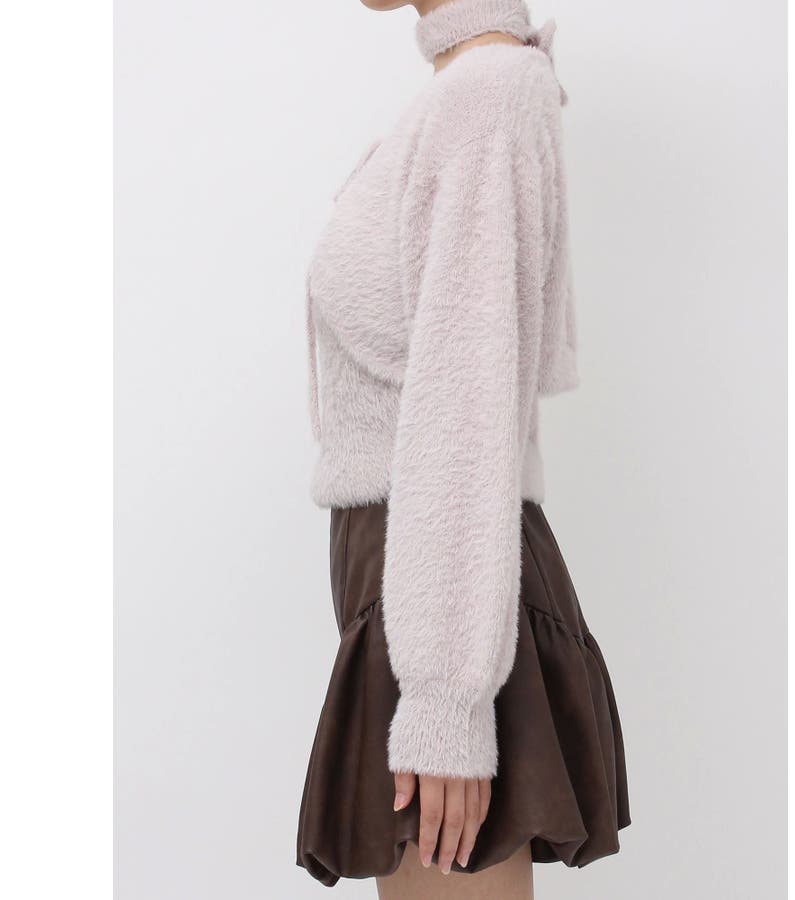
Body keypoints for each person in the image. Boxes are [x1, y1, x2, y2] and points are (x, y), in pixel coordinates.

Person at [296, 2, 630, 897]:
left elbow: (469, 399)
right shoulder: (466, 90)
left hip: (443, 584)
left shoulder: (487, 92)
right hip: (424, 579)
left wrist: (447, 699)